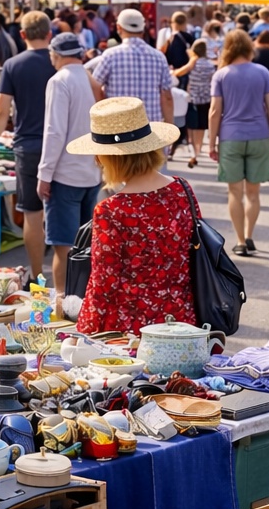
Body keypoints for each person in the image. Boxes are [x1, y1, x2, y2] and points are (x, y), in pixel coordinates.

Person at [69, 97, 194, 333]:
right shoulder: (182, 190)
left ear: (109, 158)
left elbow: (103, 283)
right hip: (182, 321)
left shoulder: (111, 210)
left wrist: (83, 332)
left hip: (130, 331)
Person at [0, 10, 56, 280]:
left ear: (22, 35)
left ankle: (37, 275)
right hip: (61, 145)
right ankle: (67, 274)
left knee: (31, 212)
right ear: (49, 34)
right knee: (63, 208)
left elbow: (1, 110)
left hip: (27, 144)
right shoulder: (60, 62)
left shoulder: (13, 65)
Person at [209, 30, 269, 257]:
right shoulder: (261, 72)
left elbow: (215, 112)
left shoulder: (221, 75)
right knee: (253, 193)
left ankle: (240, 240)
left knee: (234, 192)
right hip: (259, 135)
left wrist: (211, 143)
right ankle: (250, 235)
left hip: (231, 137)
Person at [37, 32, 101, 289]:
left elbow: (54, 131)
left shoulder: (59, 80)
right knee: (85, 249)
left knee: (63, 249)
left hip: (65, 173)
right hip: (90, 172)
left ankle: (63, 305)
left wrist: (44, 174)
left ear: (57, 54)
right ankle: (84, 302)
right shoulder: (90, 79)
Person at [90, 9, 175, 125]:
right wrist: (169, 126)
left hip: (118, 126)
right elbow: (167, 96)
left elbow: (94, 86)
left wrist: (103, 111)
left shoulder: (110, 56)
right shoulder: (159, 57)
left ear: (119, 28)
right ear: (143, 29)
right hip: (151, 128)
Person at [172, 38, 217, 169]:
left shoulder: (193, 62)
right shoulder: (210, 64)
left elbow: (179, 73)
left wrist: (173, 72)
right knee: (201, 128)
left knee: (191, 127)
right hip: (206, 99)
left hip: (192, 99)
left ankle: (193, 152)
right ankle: (197, 151)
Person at [163, 11, 195, 90]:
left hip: (174, 72)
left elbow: (166, 56)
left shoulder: (169, 38)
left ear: (173, 23)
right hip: (187, 71)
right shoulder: (189, 37)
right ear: (185, 23)